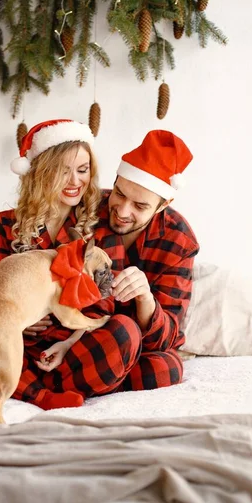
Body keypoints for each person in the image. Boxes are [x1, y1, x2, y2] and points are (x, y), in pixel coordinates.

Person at [0, 119, 141, 411]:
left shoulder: (101, 226)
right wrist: (18, 322)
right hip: (12, 341)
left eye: (82, 170)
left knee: (124, 331)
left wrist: (67, 343)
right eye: (62, 171)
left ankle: (27, 384)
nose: (75, 181)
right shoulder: (5, 224)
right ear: (41, 172)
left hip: (73, 346)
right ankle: (40, 394)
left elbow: (104, 305)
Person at [28, 129, 199, 392]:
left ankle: (39, 382)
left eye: (140, 206)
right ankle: (85, 378)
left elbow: (166, 338)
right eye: (120, 193)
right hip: (78, 336)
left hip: (131, 343)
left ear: (163, 205)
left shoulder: (179, 240)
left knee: (166, 367)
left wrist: (145, 299)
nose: (121, 210)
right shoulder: (89, 208)